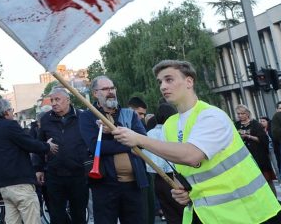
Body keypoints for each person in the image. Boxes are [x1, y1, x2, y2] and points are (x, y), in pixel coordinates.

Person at [113, 59, 281, 224]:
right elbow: (183, 170)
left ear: (189, 81)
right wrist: (184, 191)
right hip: (207, 215)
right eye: (160, 82)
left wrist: (139, 139)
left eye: (169, 79)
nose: (163, 86)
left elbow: (192, 156)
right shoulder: (170, 125)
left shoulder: (211, 116)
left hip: (248, 213)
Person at [79, 75, 148, 224]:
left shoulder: (129, 114)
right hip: (104, 185)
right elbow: (96, 147)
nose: (110, 92)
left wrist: (113, 132)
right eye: (105, 89)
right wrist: (129, 144)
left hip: (133, 184)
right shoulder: (87, 117)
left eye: (112, 88)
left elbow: (143, 140)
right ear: (95, 93)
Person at [0, 98, 56, 224]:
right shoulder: (10, 126)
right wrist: (47, 146)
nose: (13, 113)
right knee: (32, 220)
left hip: (4, 187)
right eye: (12, 110)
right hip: (20, 184)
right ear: (6, 112)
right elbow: (29, 143)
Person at [35, 88, 86, 224]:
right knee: (57, 216)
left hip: (78, 174)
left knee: (79, 215)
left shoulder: (82, 117)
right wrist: (38, 168)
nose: (53, 103)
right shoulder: (46, 119)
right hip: (55, 175)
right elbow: (39, 145)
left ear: (68, 100)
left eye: (57, 99)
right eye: (52, 100)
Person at [141, 103, 183, 224]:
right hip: (174, 177)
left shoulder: (148, 134)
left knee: (170, 214)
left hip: (157, 179)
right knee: (184, 213)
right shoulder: (173, 131)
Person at [235, 105, 277, 192]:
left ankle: (274, 200)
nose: (240, 115)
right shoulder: (237, 125)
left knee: (266, 179)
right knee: (251, 181)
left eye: (242, 113)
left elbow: (263, 139)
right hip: (245, 155)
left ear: (247, 114)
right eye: (238, 114)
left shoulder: (255, 124)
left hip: (259, 155)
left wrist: (248, 136)